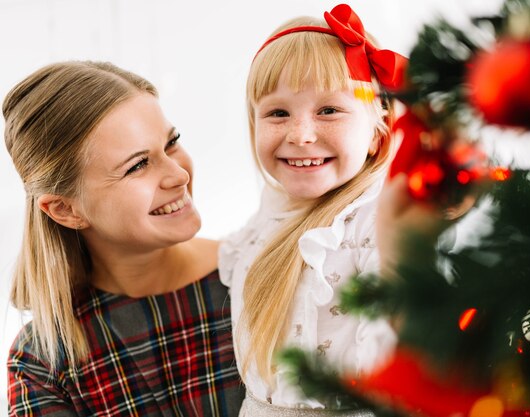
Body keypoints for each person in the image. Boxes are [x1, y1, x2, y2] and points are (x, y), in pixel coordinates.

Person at [4, 61, 244, 416]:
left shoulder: (260, 279)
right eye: (137, 165)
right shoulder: (43, 364)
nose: (178, 174)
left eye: (172, 142)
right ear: (65, 210)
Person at [218, 4, 408, 415]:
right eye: (277, 113)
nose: (301, 135)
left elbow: (402, 342)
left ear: (378, 132)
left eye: (329, 110)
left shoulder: (375, 220)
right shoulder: (273, 212)